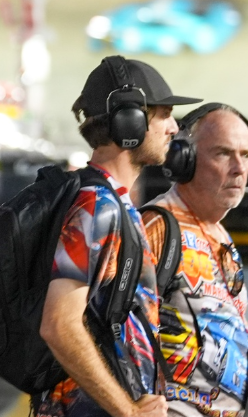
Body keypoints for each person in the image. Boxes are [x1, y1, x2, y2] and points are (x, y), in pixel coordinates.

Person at [36, 57, 197, 417]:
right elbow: (59, 324)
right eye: (164, 114)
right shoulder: (98, 207)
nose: (174, 127)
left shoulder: (111, 203)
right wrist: (129, 411)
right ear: (130, 122)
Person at [142, 104, 248, 416]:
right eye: (223, 154)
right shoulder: (157, 228)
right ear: (185, 160)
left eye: (246, 155)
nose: (239, 168)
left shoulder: (220, 234)